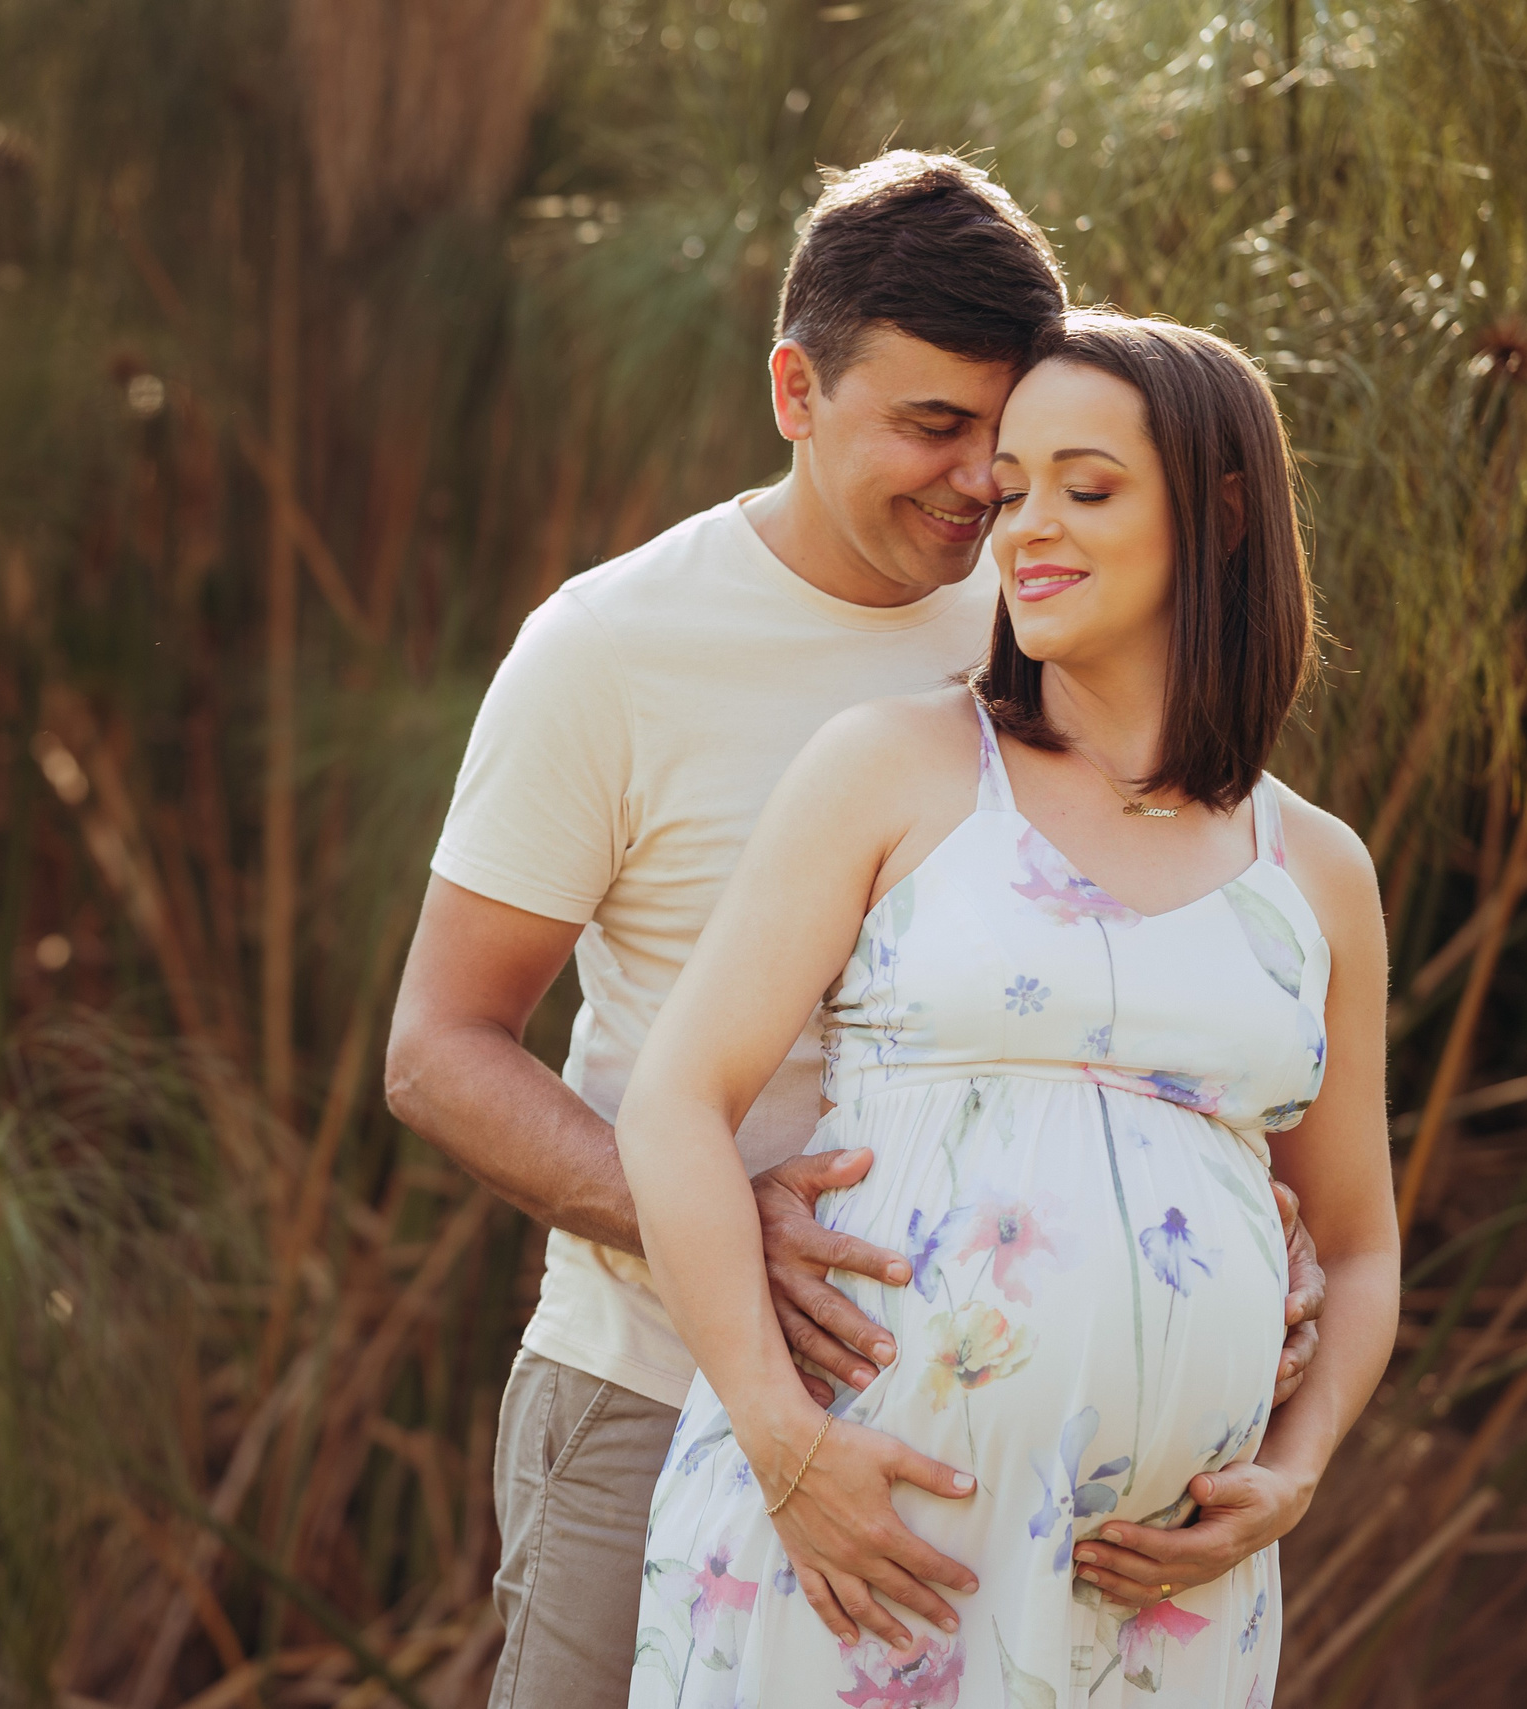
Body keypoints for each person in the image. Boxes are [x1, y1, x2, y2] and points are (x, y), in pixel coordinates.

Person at [385, 153, 1326, 1709]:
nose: (982, 487)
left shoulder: (1061, 604)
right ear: (794, 391)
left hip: (1008, 1470)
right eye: (935, 428)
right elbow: (437, 1048)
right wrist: (708, 1214)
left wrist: (1237, 1216)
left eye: (1011, 439)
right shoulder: (613, 649)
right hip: (651, 1387)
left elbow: (1200, 944)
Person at [616, 311, 1401, 1705]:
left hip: (1155, 1605)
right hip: (857, 1542)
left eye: (1085, 488)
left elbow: (1358, 1241)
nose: (1023, 524)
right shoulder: (898, 767)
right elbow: (676, 1105)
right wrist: (785, 1440)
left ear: (1222, 516)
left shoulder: (1318, 872)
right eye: (1014, 484)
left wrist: (1296, 1467)